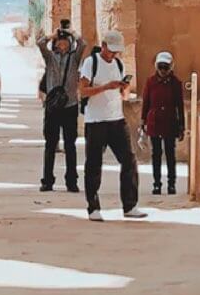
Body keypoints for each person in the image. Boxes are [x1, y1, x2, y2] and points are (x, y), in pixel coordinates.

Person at [78, 35, 145, 220]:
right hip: (96, 121)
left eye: (116, 51)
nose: (113, 54)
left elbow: (124, 95)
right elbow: (82, 91)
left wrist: (124, 87)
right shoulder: (91, 63)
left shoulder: (119, 64)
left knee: (129, 160)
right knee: (94, 164)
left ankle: (130, 205)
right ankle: (93, 207)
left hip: (117, 119)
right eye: (110, 50)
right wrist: (106, 87)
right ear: (103, 46)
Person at [36, 30, 85, 192]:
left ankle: (72, 181)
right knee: (50, 144)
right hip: (53, 107)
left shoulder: (74, 59)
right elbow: (40, 43)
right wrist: (53, 34)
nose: (62, 43)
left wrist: (72, 32)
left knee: (70, 145)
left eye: (65, 41)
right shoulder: (50, 58)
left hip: (70, 106)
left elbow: (83, 44)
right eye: (60, 41)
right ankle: (47, 180)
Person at [142, 51, 186, 195]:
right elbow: (146, 102)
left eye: (165, 67)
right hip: (154, 122)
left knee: (170, 154)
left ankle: (171, 184)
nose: (162, 71)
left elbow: (180, 106)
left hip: (170, 122)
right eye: (160, 67)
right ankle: (156, 184)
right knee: (156, 154)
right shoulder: (150, 82)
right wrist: (143, 122)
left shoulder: (176, 83)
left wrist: (181, 126)